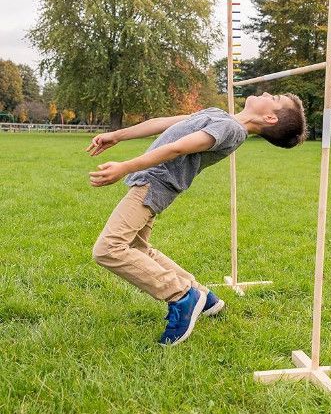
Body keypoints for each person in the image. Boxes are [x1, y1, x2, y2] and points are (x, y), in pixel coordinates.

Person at [86, 92, 308, 346]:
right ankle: (205, 298)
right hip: (149, 182)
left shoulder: (230, 129)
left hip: (154, 185)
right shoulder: (220, 116)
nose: (268, 93)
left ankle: (181, 296)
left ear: (269, 117)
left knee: (108, 249)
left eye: (276, 98)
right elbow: (164, 123)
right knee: (137, 248)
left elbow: (178, 147)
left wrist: (125, 166)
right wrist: (117, 135)